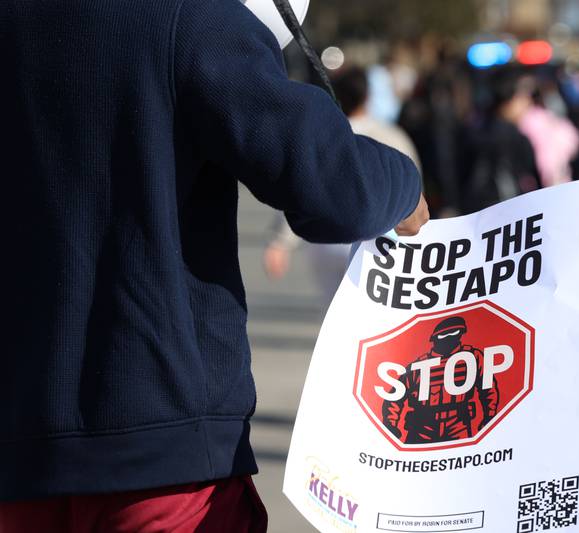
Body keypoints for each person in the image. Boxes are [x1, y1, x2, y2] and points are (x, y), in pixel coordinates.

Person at [0, 1, 428, 531]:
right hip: (165, 451)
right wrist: (404, 185)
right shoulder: (192, 18)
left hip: (20, 453)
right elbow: (336, 190)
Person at [263, 67, 422, 304]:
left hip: (325, 239)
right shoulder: (391, 135)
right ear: (368, 96)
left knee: (332, 309)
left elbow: (299, 185)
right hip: (379, 236)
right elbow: (414, 186)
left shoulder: (320, 137)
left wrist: (280, 242)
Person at [381, 317, 499, 444]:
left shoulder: (473, 357)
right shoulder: (417, 366)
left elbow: (488, 388)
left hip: (458, 423)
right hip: (423, 425)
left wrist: (490, 415)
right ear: (435, 339)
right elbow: (395, 396)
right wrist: (390, 424)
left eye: (454, 334)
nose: (449, 339)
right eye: (444, 335)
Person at [461, 67, 541, 214]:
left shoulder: (473, 129)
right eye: (523, 95)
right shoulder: (513, 138)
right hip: (505, 214)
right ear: (508, 96)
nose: (529, 102)